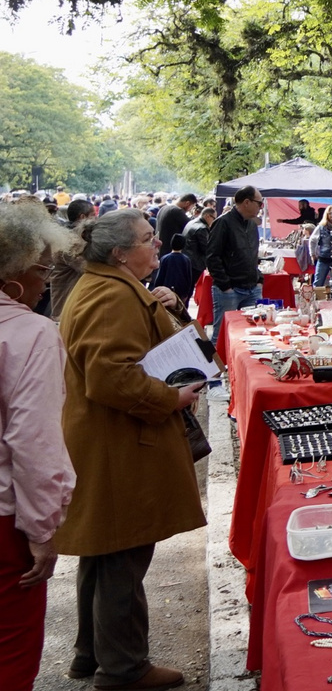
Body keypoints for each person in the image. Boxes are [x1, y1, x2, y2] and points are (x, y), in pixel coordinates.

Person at [56, 209, 205, 690]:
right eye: (148, 239)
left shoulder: (111, 287)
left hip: (110, 441)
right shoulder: (110, 295)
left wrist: (169, 307)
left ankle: (91, 653)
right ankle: (123, 668)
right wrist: (170, 398)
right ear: (120, 252)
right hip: (118, 444)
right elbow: (112, 376)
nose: (157, 245)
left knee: (104, 551)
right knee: (121, 555)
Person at [0, 203, 78, 687]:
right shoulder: (30, 334)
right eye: (43, 268)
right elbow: (33, 442)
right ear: (13, 272)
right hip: (5, 525)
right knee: (10, 652)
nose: (47, 280)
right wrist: (42, 529)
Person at [207, 186, 264, 338]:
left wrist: (258, 279)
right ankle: (217, 362)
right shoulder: (223, 223)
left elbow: (252, 254)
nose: (261, 207)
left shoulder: (251, 224)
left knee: (248, 335)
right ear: (247, 202)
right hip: (230, 290)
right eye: (260, 203)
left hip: (251, 287)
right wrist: (226, 285)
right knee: (221, 336)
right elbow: (212, 256)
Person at [49, 198, 96, 320]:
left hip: (70, 310)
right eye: (93, 216)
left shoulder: (72, 238)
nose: (96, 220)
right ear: (82, 217)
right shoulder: (70, 243)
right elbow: (89, 268)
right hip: (64, 313)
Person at [149, 235, 197, 311]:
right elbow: (189, 278)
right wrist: (188, 293)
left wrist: (157, 287)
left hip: (166, 290)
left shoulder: (165, 258)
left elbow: (160, 276)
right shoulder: (186, 260)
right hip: (181, 292)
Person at [180, 207, 215, 292]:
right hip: (195, 264)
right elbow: (207, 248)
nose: (214, 221)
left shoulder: (192, 222)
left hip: (187, 259)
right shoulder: (202, 228)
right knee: (188, 290)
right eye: (213, 218)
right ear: (207, 216)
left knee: (186, 288)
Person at [309, 208, 332, 288]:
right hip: (323, 258)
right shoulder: (321, 227)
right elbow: (312, 240)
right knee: (318, 283)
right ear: (326, 214)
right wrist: (312, 254)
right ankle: (317, 298)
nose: (331, 215)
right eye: (330, 213)